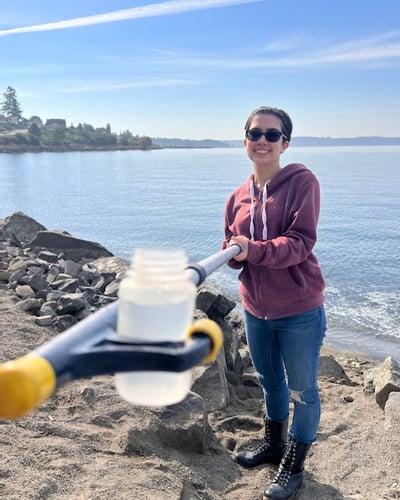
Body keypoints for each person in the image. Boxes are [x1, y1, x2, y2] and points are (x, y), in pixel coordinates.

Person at [223, 106, 327, 499]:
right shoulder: (236, 197)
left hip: (299, 308)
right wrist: (234, 252)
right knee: (269, 382)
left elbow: (300, 243)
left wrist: (252, 250)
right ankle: (273, 445)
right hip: (255, 308)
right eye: (255, 133)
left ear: (285, 142)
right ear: (245, 140)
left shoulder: (303, 182)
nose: (262, 141)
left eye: (271, 134)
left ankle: (293, 466)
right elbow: (233, 246)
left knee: (302, 389)